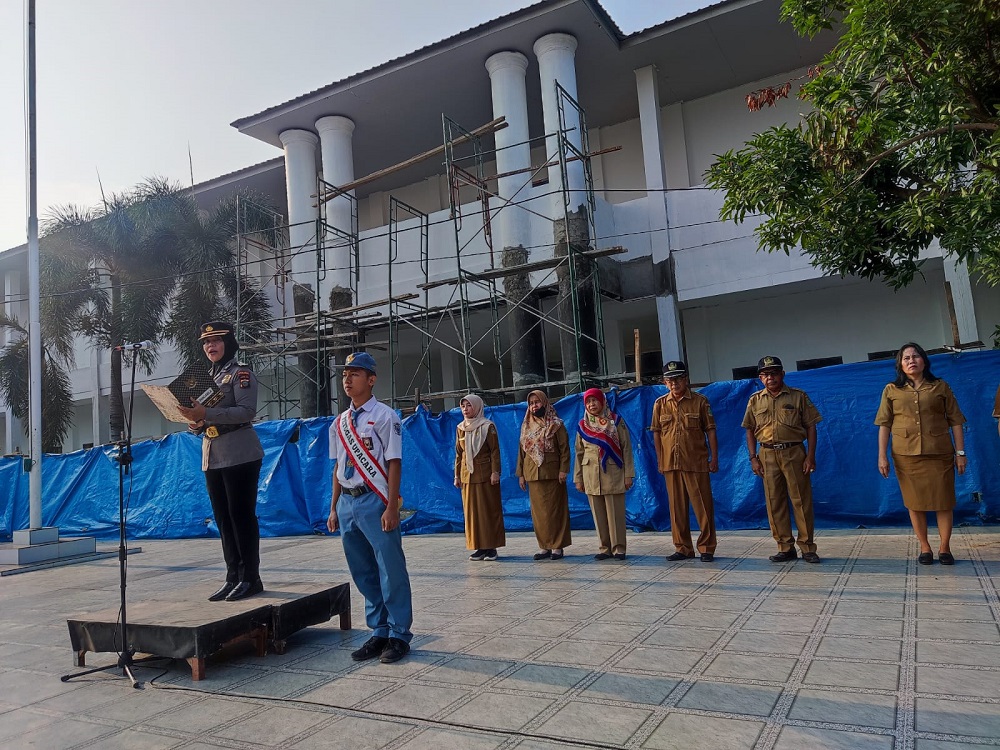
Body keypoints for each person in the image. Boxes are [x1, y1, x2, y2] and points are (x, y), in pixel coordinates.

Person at [327, 351, 413, 664]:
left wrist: (391, 506)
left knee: (390, 568)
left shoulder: (386, 416)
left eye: (355, 374)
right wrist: (334, 507)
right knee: (362, 570)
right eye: (344, 374)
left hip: (375, 500)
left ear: (371, 379)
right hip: (348, 502)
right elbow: (337, 467)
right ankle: (379, 631)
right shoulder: (339, 423)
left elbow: (394, 463)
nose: (347, 380)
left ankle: (399, 634)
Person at [178, 322, 265, 602]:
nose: (210, 346)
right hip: (212, 453)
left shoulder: (241, 374)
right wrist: (195, 421)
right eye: (206, 342)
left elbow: (246, 411)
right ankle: (233, 576)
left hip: (240, 451)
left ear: (228, 343)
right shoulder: (205, 379)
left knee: (241, 517)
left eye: (216, 340)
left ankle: (251, 578)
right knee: (223, 519)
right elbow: (202, 420)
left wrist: (207, 413)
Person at [875, 342, 966, 565]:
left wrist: (960, 452)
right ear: (900, 365)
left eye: (915, 356)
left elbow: (955, 421)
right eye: (906, 358)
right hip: (906, 457)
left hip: (939, 453)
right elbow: (884, 424)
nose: (911, 361)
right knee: (915, 503)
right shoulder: (891, 390)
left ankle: (945, 548)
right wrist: (882, 455)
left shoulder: (940, 387)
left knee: (944, 501)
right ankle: (925, 547)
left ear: (924, 361)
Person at [742, 356, 823, 563]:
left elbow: (811, 426)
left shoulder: (798, 397)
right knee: (774, 501)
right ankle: (785, 546)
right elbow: (750, 430)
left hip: (794, 452)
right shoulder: (755, 400)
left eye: (774, 373)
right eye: (766, 374)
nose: (770, 378)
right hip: (767, 454)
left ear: (782, 374)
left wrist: (810, 456)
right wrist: (753, 457)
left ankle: (807, 547)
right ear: (760, 378)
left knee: (800, 500)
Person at [650, 361, 719, 563]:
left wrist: (714, 458)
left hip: (696, 462)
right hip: (671, 463)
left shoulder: (700, 401)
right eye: (670, 380)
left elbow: (711, 430)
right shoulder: (660, 404)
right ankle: (682, 547)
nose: (674, 383)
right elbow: (656, 433)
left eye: (678, 379)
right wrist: (660, 459)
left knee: (703, 507)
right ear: (664, 382)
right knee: (676, 508)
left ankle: (707, 547)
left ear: (685, 380)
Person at [573, 388, 634, 560]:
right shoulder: (582, 426)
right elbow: (578, 453)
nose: (592, 404)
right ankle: (604, 548)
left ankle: (619, 548)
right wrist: (578, 478)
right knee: (598, 514)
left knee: (615, 513)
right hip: (591, 474)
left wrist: (628, 474)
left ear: (602, 401)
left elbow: (626, 449)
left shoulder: (615, 421)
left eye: (595, 400)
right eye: (588, 402)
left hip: (613, 473)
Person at [516, 390, 572, 560]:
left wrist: (563, 469)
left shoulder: (556, 424)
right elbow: (522, 452)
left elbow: (564, 448)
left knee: (556, 510)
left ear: (545, 403)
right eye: (531, 403)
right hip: (532, 474)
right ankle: (544, 546)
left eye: (537, 402)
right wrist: (521, 474)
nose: (534, 406)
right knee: (539, 514)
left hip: (553, 473)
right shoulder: (526, 425)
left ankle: (557, 546)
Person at [454, 394, 505, 561]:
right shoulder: (460, 427)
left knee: (488, 511)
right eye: (463, 406)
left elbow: (495, 451)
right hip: (467, 476)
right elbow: (458, 454)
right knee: (472, 513)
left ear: (477, 407)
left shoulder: (487, 426)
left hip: (485, 476)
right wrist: (457, 475)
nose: (466, 409)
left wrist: (495, 472)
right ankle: (479, 547)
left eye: (469, 406)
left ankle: (491, 548)